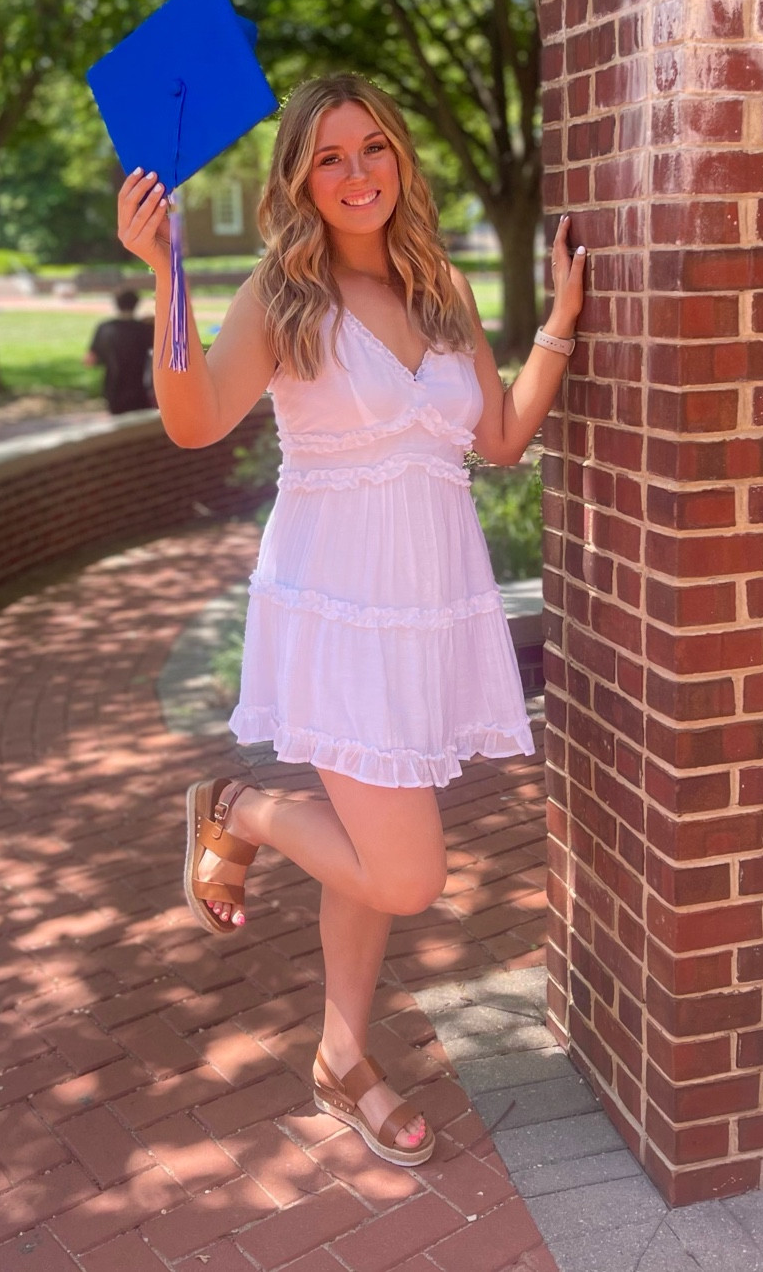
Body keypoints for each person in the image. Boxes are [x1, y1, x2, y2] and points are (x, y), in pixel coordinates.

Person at [115, 74, 586, 1168]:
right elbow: (193, 420)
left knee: (375, 857)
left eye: (374, 146)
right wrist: (164, 273)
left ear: (401, 158)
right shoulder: (282, 296)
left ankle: (340, 1058)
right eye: (331, 156)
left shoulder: (440, 287)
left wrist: (558, 323)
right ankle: (237, 808)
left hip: (425, 616)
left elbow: (502, 438)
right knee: (410, 873)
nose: (358, 171)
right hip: (336, 611)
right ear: (299, 177)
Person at [85, 287, 155, 414]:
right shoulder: (145, 329)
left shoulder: (105, 328)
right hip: (141, 389)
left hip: (113, 388)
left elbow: (90, 360)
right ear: (136, 304)